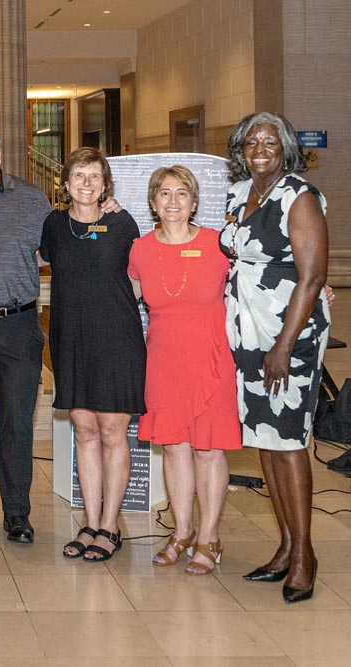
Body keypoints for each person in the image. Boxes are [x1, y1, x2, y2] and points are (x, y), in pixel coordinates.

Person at [0, 123, 119, 543]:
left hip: (18, 327)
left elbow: (71, 241)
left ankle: (17, 513)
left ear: (0, 155)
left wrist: (105, 214)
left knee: (17, 422)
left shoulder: (33, 202)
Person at [220, 112, 329, 603]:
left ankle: (305, 554)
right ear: (241, 150)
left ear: (286, 148)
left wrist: (284, 346)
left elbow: (310, 277)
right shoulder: (241, 194)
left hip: (289, 336)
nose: (259, 148)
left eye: (270, 141)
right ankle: (285, 544)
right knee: (264, 437)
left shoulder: (298, 197)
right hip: (247, 332)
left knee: (288, 441)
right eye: (251, 142)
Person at [128, 166, 241, 574]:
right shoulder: (139, 250)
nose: (172, 201)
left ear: (194, 202)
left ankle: (209, 538)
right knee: (174, 447)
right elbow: (120, 298)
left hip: (211, 358)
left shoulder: (219, 244)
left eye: (181, 194)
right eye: (164, 193)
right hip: (163, 360)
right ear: (153, 203)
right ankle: (182, 531)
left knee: (208, 448)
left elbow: (264, 277)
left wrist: (317, 289)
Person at [39, 147, 145, 561]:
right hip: (70, 338)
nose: (86, 183)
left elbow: (144, 275)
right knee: (84, 431)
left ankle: (110, 525)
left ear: (106, 185)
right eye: (79, 176)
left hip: (117, 338)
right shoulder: (53, 225)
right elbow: (36, 259)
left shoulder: (122, 224)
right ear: (66, 184)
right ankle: (89, 519)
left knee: (113, 433)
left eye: (95, 176)